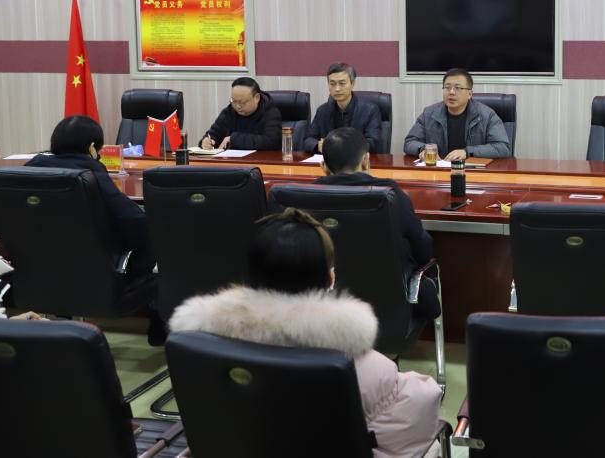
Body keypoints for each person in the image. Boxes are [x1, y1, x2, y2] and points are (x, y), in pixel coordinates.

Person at [169, 208, 443, 458]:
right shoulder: (363, 368)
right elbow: (411, 428)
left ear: (248, 276)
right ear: (330, 278)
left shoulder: (198, 347)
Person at [315, 127, 439, 318]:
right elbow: (422, 249)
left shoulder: (306, 195)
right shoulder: (389, 194)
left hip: (327, 309)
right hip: (388, 310)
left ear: (323, 167)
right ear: (366, 160)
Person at [25, 116, 155, 277]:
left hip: (38, 272)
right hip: (92, 274)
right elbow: (134, 220)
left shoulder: (30, 170)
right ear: (92, 148)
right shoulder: (89, 174)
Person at [403, 68, 510, 160]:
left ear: (470, 94)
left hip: (473, 172)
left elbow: (502, 147)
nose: (451, 92)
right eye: (447, 87)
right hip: (439, 170)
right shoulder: (429, 114)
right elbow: (410, 142)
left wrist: (467, 152)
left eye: (458, 88)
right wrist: (424, 149)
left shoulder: (487, 115)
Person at [302, 62, 381, 154]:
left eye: (342, 83)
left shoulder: (370, 111)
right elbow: (308, 140)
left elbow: (372, 143)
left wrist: (340, 146)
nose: (337, 89)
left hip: (356, 160)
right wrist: (318, 146)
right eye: (332, 84)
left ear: (352, 83)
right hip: (329, 161)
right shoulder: (322, 111)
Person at [200, 76, 282, 151]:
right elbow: (213, 135)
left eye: (242, 102)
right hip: (232, 160)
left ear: (256, 98)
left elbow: (272, 142)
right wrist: (206, 142)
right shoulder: (228, 112)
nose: (238, 106)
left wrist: (234, 139)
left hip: (260, 160)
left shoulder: (270, 113)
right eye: (234, 101)